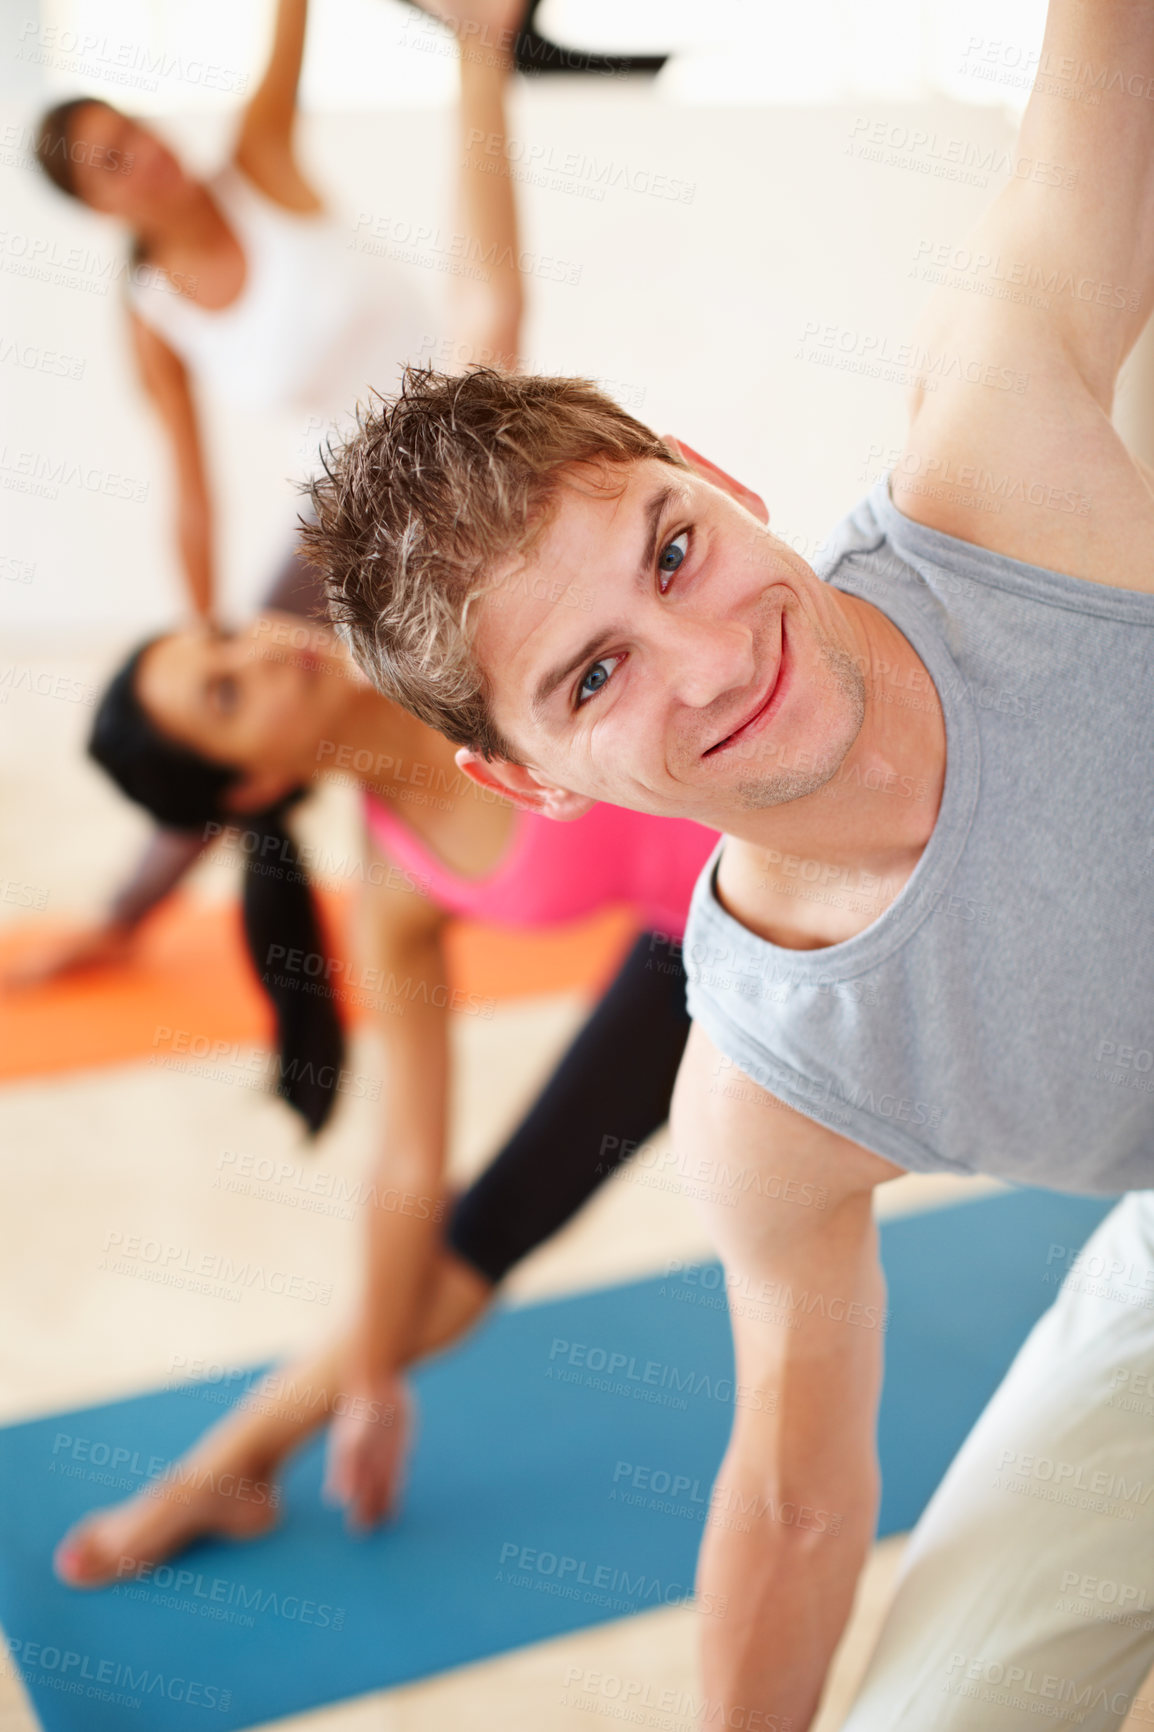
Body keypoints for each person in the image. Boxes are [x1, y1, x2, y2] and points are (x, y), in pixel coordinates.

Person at [302, 1, 1154, 1725]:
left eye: (668, 551)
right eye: (591, 675)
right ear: (523, 779)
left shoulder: (1001, 467)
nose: (705, 659)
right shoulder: (771, 1090)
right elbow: (791, 1494)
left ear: (713, 477)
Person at [53, 592, 715, 1585]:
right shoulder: (398, 886)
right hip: (708, 948)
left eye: (231, 640)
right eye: (229, 693)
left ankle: (232, 1465)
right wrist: (370, 1380)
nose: (270, 652)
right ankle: (233, 1466)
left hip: (808, 848)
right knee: (474, 1231)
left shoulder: (452, 630)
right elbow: (409, 1157)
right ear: (251, 786)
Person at [33, 0, 524, 625]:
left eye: (132, 129)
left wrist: (475, 30)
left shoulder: (258, 160)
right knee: (273, 648)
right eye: (112, 161)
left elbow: (292, 16)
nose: (144, 152)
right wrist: (203, 633)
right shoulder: (154, 317)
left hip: (462, 413)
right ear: (99, 209)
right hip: (354, 496)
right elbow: (191, 491)